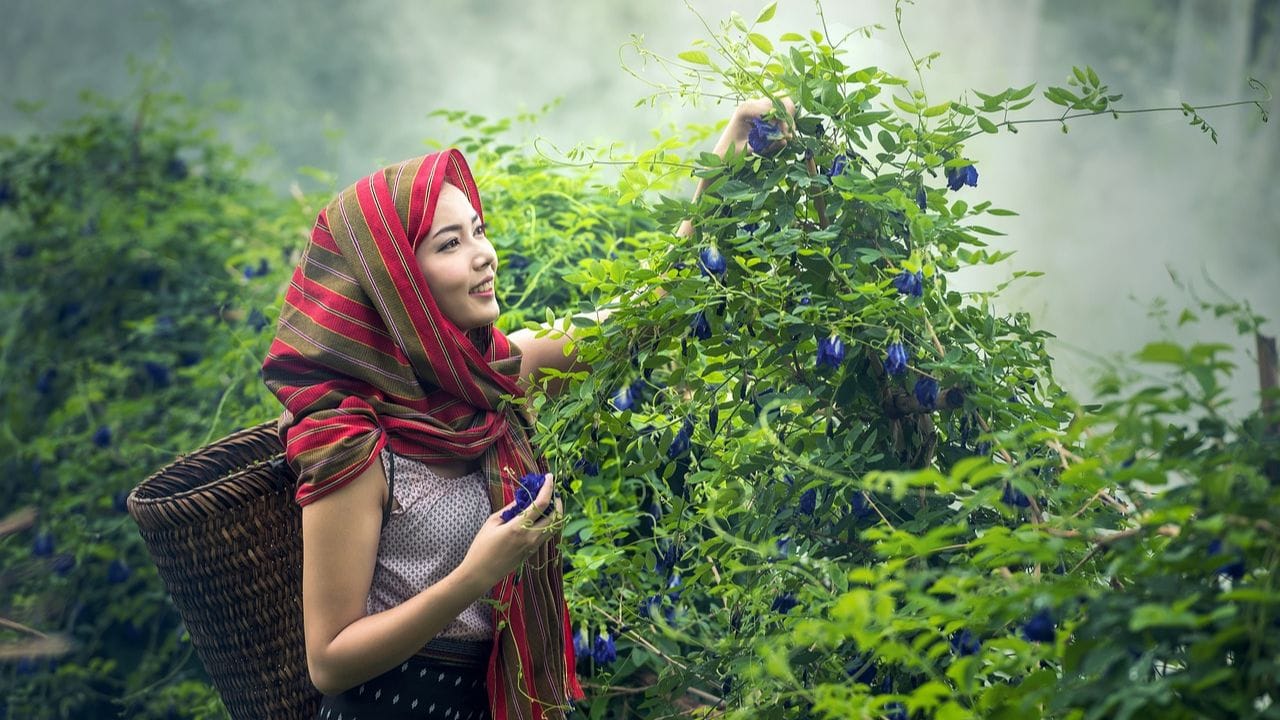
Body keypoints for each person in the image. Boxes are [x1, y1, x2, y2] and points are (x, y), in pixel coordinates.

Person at [260, 97, 792, 720]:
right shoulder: (350, 437)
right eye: (450, 243)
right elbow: (329, 660)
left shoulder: (494, 374)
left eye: (478, 231)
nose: (483, 253)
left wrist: (731, 149)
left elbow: (656, 305)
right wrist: (475, 576)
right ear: (396, 283)